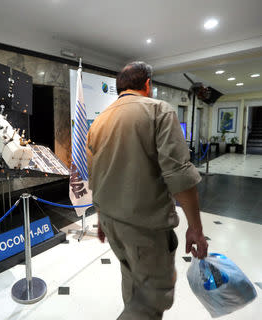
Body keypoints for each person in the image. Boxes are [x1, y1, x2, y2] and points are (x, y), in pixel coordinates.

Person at [86, 61, 208, 320]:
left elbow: (95, 175)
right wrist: (196, 228)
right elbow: (179, 175)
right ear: (147, 84)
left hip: (111, 222)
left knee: (131, 277)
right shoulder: (159, 111)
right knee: (150, 302)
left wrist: (100, 219)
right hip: (144, 227)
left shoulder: (99, 122)